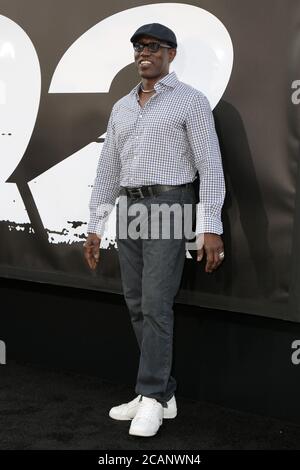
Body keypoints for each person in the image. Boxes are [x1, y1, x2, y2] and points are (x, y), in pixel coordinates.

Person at [84, 23, 226, 437]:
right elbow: (108, 167)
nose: (144, 53)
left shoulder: (190, 101)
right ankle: (162, 393)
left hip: (171, 203)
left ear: (171, 54)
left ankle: (151, 396)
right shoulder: (122, 107)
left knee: (156, 303)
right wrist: (95, 224)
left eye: (153, 47)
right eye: (138, 47)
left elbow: (210, 166)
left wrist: (210, 224)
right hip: (130, 204)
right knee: (135, 301)